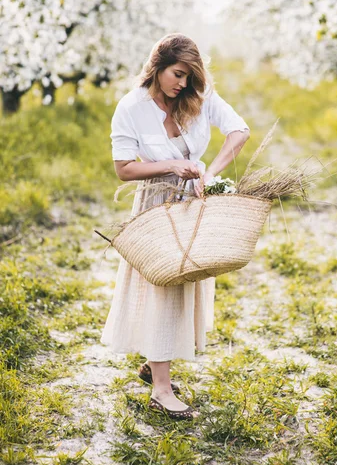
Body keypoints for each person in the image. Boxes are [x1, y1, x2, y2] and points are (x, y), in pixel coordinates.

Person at [100, 33, 250, 420]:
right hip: (155, 205)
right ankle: (162, 390)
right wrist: (171, 166)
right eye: (177, 74)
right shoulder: (131, 107)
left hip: (192, 204)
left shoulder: (197, 100)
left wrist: (209, 173)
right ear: (157, 67)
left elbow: (240, 130)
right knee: (161, 288)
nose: (182, 84)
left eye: (188, 77)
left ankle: (155, 364)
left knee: (183, 286)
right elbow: (123, 169)